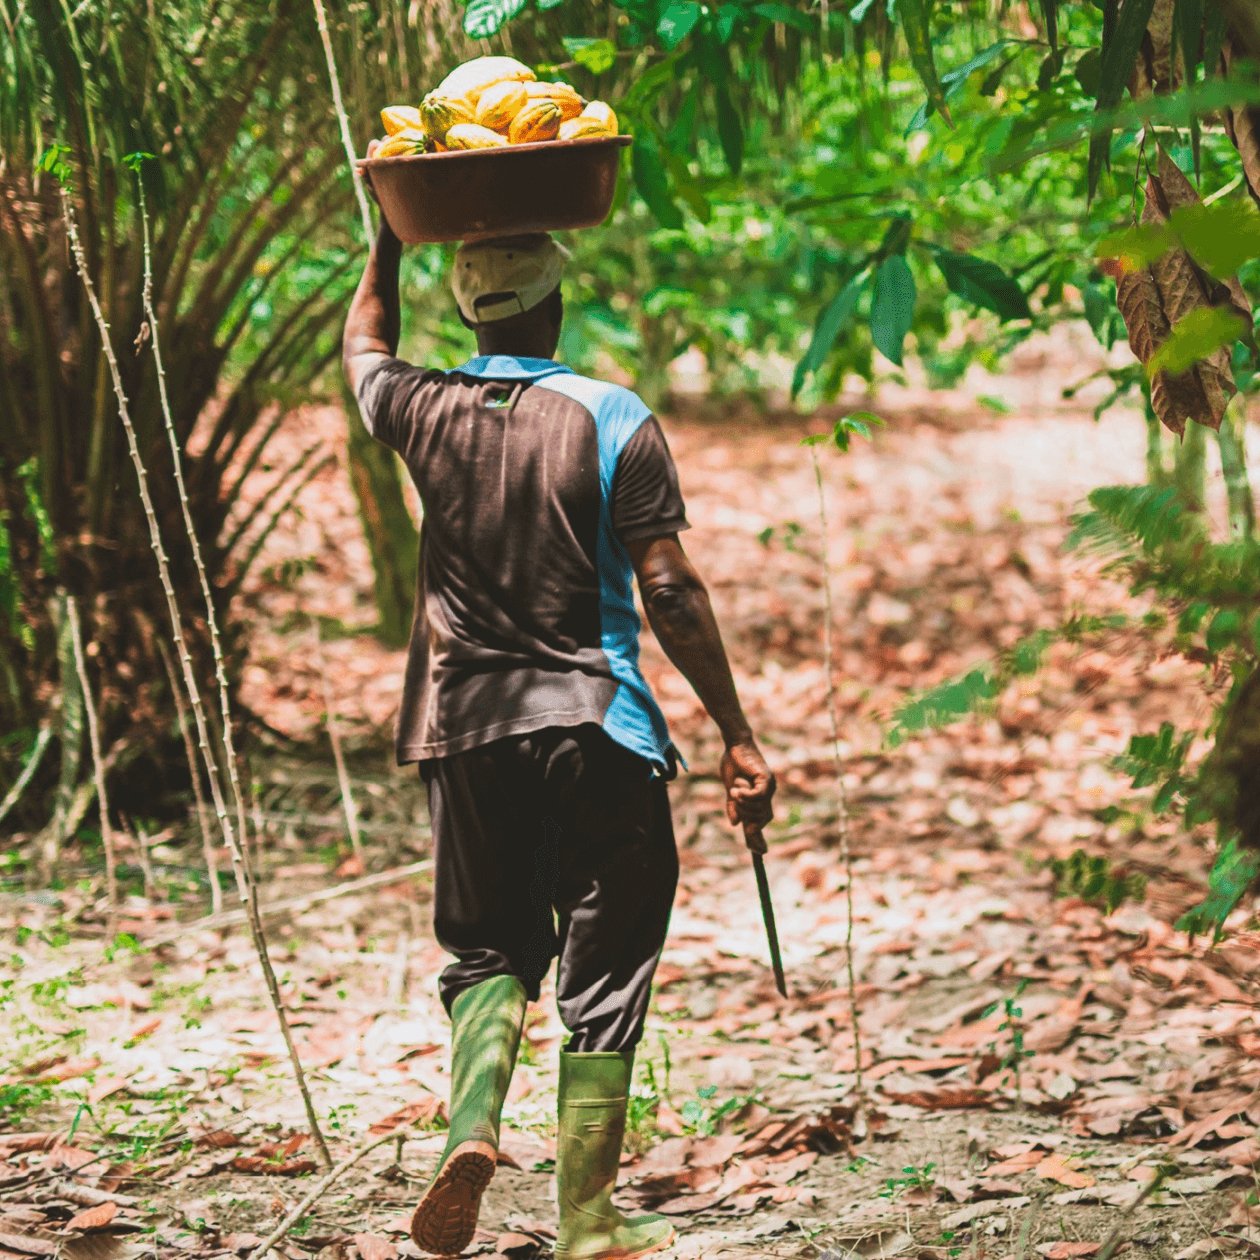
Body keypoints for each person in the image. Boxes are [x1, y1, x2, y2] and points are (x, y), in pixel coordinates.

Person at [342, 194, 776, 1259]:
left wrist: (389, 237)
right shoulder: (613, 414)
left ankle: (473, 1125)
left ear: (473, 315)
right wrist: (736, 730)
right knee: (607, 966)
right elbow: (669, 588)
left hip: (463, 728)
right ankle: (587, 1220)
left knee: (487, 949)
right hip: (595, 727)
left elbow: (363, 343)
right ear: (555, 305)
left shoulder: (416, 406)